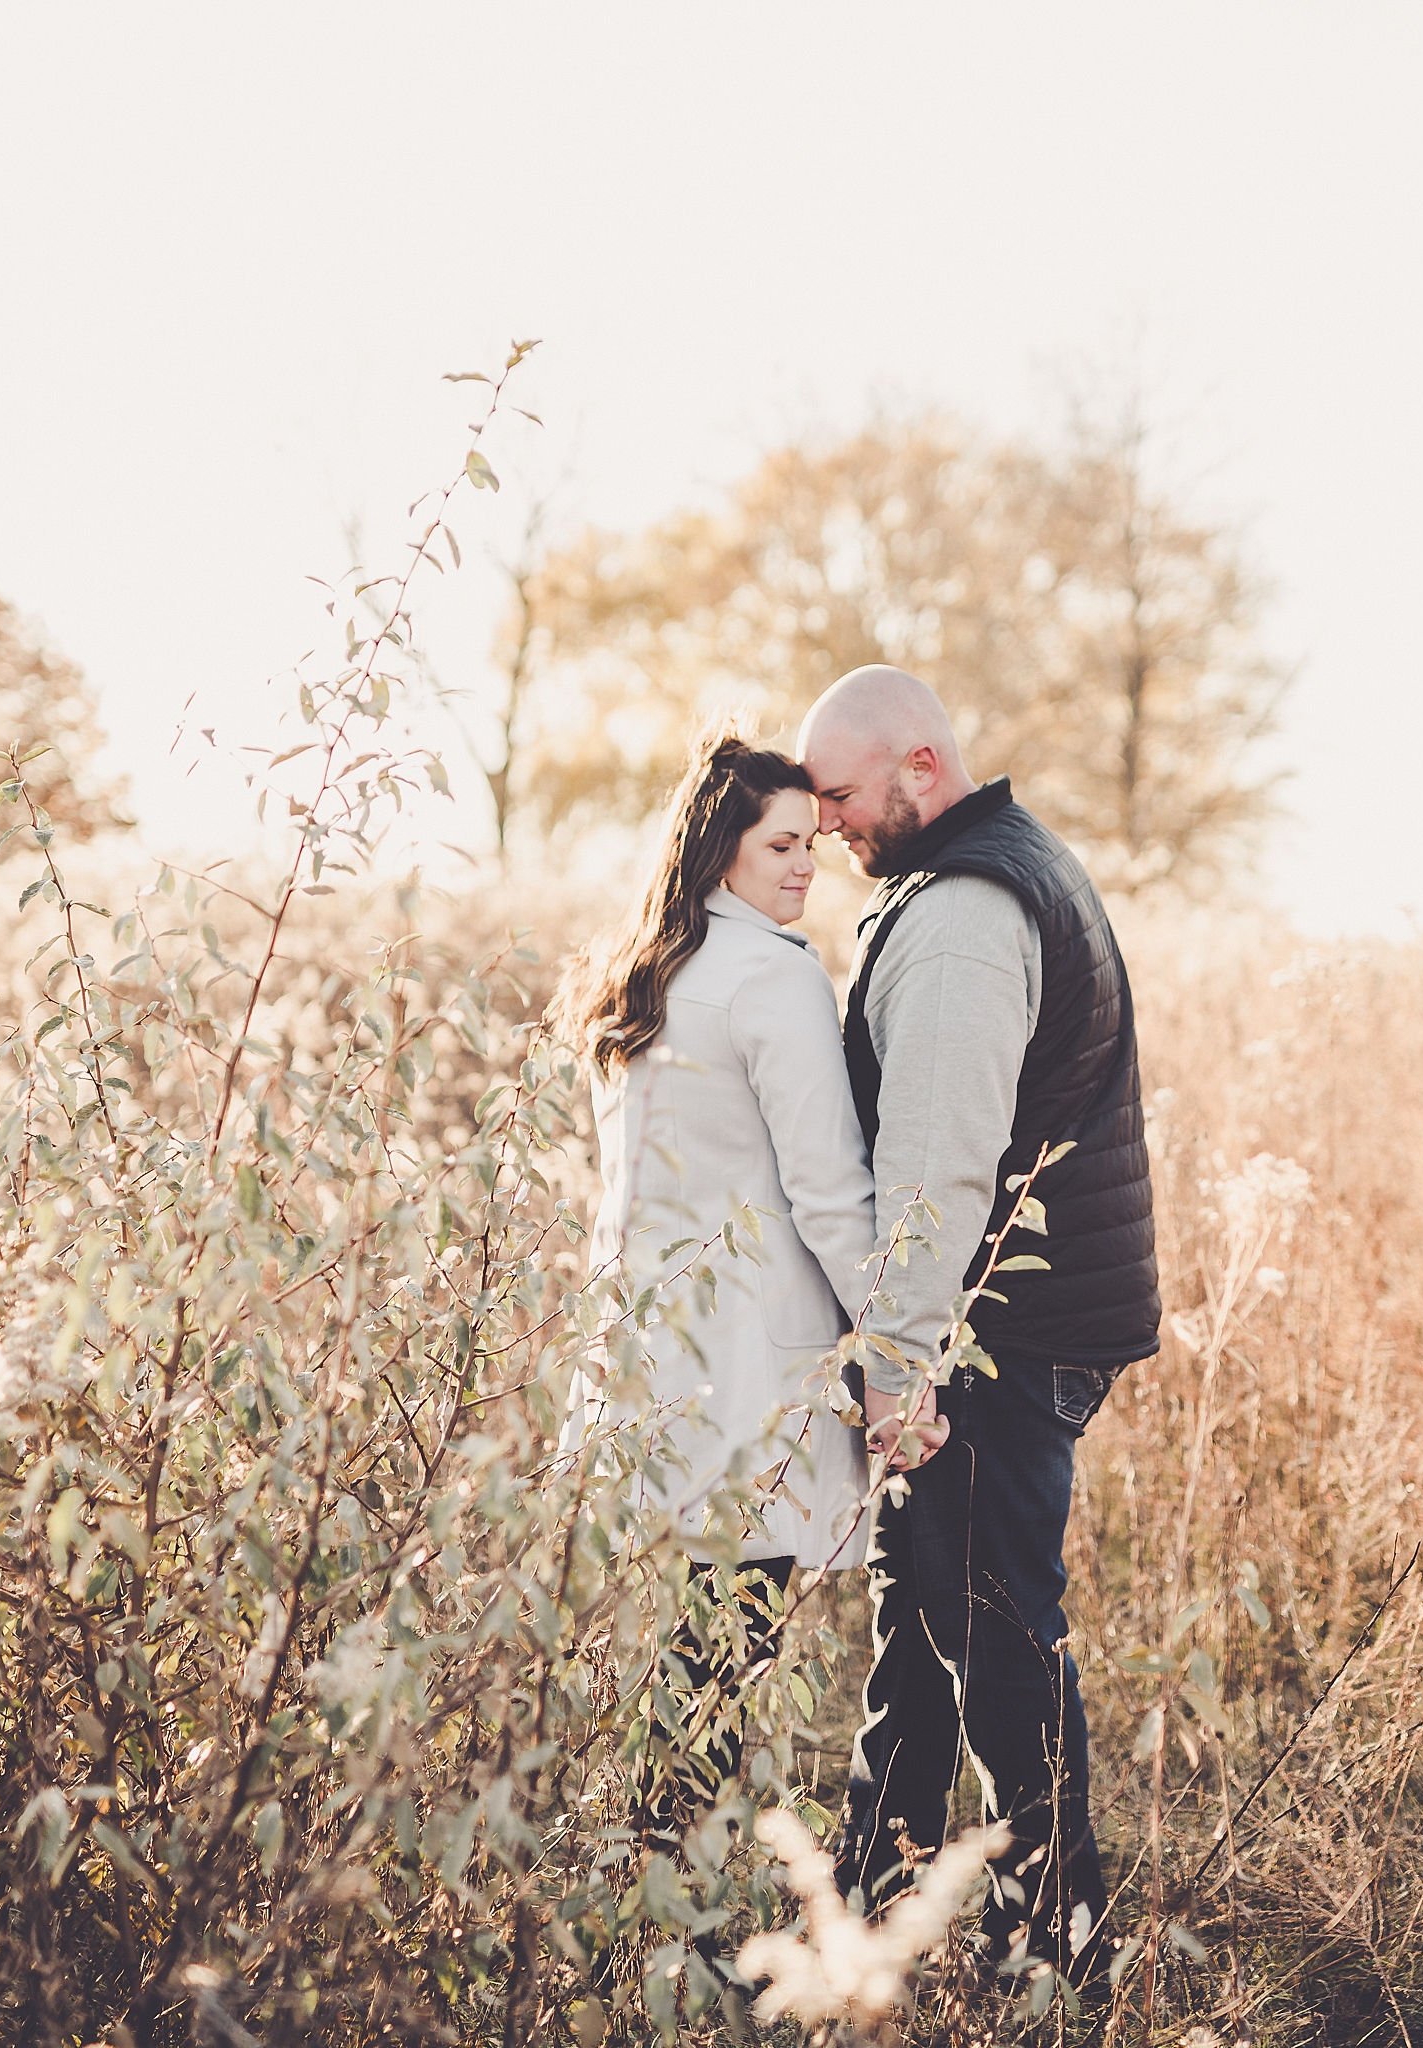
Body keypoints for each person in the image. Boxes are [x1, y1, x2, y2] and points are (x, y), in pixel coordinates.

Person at [797, 665, 1162, 1973]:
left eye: (838, 794)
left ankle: (1058, 1941)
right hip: (1009, 1324)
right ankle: (870, 1913)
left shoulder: (958, 911)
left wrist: (895, 1368)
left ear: (918, 769)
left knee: (995, 1628)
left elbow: (939, 1166)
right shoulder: (994, 866)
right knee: (925, 1610)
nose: (825, 821)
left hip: (998, 1336)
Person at [550, 732, 876, 1824]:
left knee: (674, 1651)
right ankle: (662, 1922)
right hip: (747, 1373)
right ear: (720, 846)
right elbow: (828, 1192)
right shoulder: (769, 975)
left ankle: (638, 1896)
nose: (804, 865)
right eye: (780, 843)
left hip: (645, 1359)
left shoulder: (645, 968)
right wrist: (890, 1338)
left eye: (811, 844)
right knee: (720, 1663)